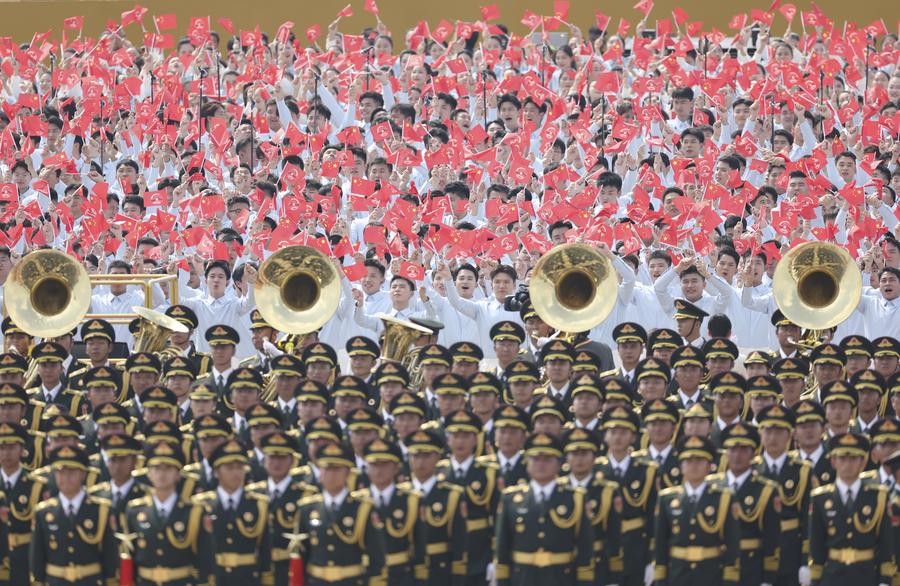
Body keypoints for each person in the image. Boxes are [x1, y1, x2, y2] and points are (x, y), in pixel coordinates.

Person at [494, 431, 595, 586]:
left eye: (547, 459)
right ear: (527, 463)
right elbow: (502, 547)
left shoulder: (575, 498)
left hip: (561, 578)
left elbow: (585, 546)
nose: (541, 464)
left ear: (559, 464)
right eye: (535, 459)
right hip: (522, 578)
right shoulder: (511, 498)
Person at [292, 441, 386, 583]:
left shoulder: (363, 508)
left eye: (336, 469)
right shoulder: (308, 508)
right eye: (326, 468)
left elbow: (375, 555)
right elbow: (302, 553)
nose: (331, 474)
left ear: (347, 473)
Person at [808, 433, 895, 585]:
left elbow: (886, 542)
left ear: (863, 461)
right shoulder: (821, 498)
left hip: (866, 576)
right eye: (842, 458)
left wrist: (885, 580)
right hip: (832, 576)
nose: (847, 464)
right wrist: (815, 579)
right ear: (833, 461)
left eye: (853, 458)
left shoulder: (878, 496)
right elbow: (816, 544)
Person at [122, 441, 213, 586]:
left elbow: (204, 560)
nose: (162, 474)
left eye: (168, 468)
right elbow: (129, 557)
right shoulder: (135, 511)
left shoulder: (193, 511)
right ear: (149, 473)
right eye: (156, 468)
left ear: (178, 475)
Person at [653, 435, 740, 585]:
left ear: (709, 466)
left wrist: (730, 580)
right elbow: (661, 543)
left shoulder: (723, 498)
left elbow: (732, 543)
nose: (694, 465)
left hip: (711, 574)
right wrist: (661, 579)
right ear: (681, 466)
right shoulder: (667, 499)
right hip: (678, 574)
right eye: (688, 461)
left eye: (699, 460)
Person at [30, 445, 118, 585]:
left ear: (83, 474)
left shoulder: (100, 509)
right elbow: (38, 557)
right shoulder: (44, 512)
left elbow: (109, 555)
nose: (66, 477)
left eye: (72, 471)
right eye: (61, 472)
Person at [708, 422, 780, 586]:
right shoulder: (711, 485)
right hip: (715, 567)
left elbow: (771, 538)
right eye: (732, 449)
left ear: (753, 454)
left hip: (749, 567)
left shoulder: (765, 489)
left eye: (743, 450)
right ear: (726, 453)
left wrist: (768, 578)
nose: (737, 455)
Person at [193, 438, 273, 585]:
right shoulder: (202, 505)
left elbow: (265, 550)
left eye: (240, 467)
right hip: (215, 579)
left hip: (248, 579)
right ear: (216, 472)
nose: (236, 472)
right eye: (229, 467)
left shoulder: (258, 504)